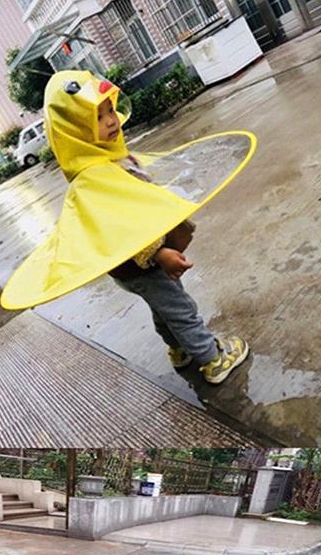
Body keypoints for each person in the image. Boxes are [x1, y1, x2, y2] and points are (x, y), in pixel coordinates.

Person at [44, 71, 248, 384]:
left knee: (162, 305)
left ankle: (178, 348)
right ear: (74, 133)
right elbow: (118, 225)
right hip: (143, 262)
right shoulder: (93, 179)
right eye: (97, 117)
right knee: (180, 308)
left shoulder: (108, 159)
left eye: (110, 109)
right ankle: (212, 358)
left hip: (134, 269)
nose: (111, 120)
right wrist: (159, 252)